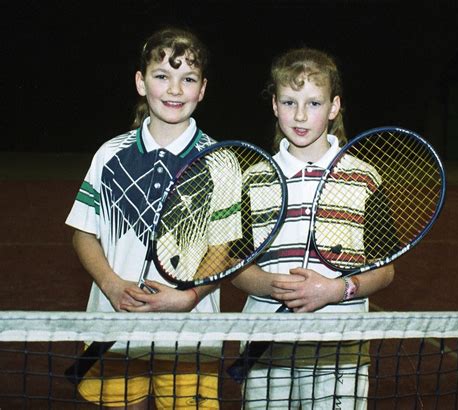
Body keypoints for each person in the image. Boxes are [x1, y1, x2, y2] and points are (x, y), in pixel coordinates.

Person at [65, 26, 233, 409]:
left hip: (192, 337)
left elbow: (226, 248)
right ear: (141, 83)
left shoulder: (221, 160)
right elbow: (83, 233)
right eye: (162, 76)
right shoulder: (110, 154)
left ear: (202, 89)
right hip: (115, 331)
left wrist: (188, 296)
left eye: (187, 79)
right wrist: (110, 284)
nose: (174, 90)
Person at [232, 48, 395, 408]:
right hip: (266, 343)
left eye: (314, 103)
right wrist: (271, 286)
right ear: (275, 105)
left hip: (341, 345)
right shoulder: (254, 180)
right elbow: (236, 267)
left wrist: (337, 290)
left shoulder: (364, 178)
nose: (301, 115)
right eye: (290, 102)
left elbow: (385, 269)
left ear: (334, 107)